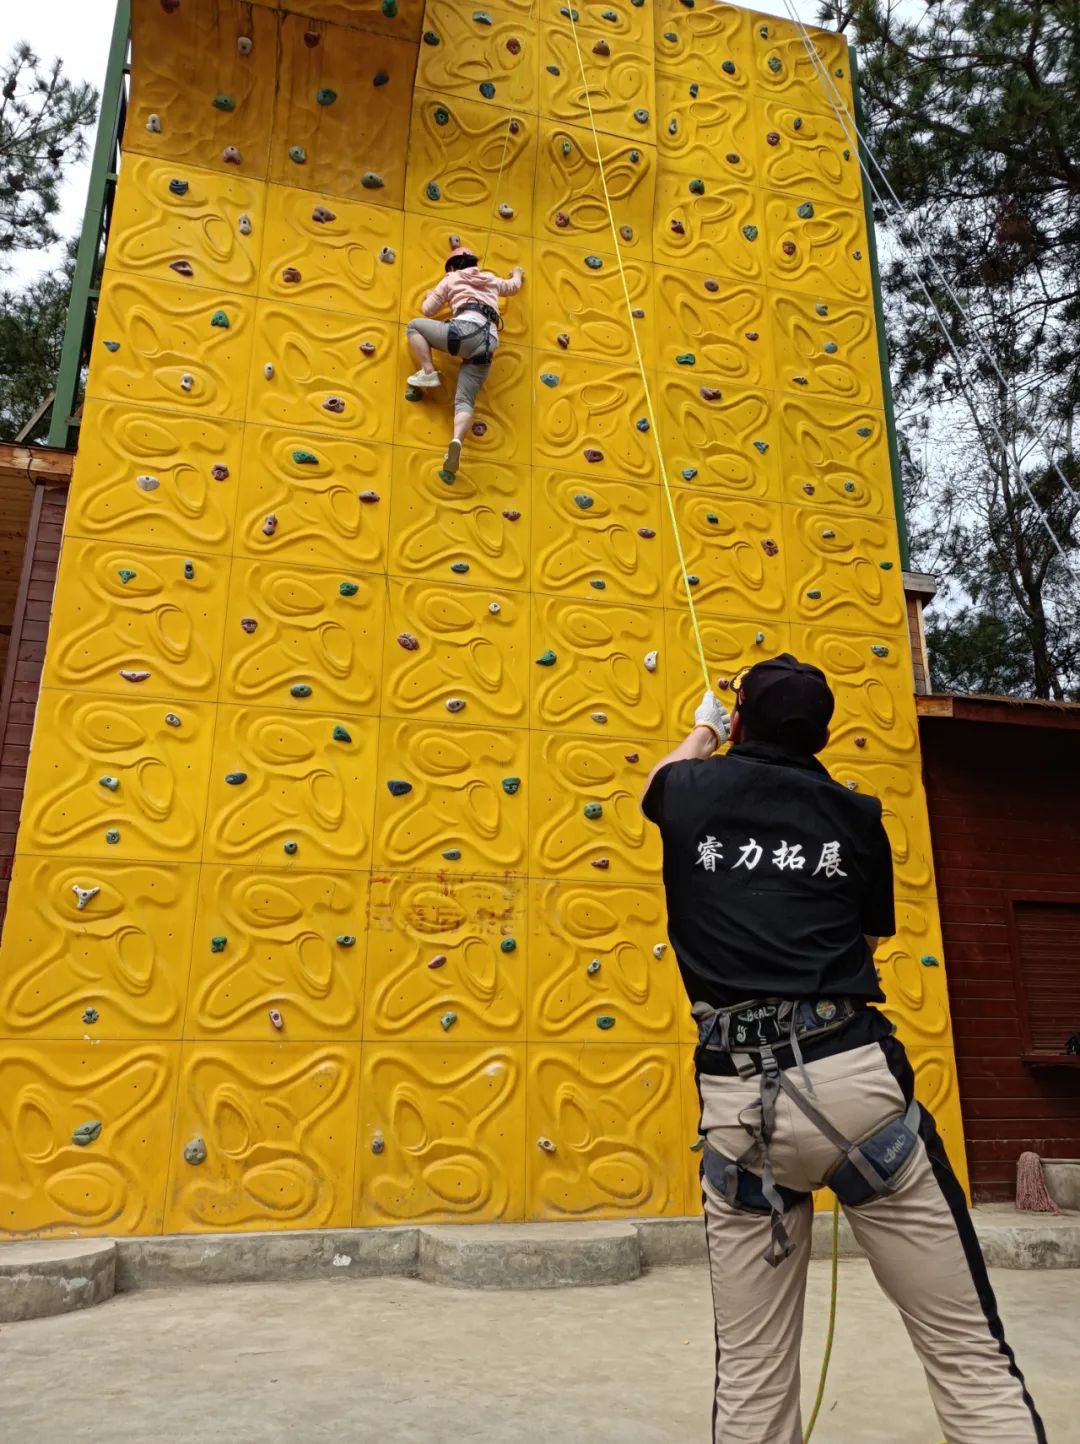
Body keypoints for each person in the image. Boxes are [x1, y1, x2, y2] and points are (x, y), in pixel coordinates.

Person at [641, 654, 1045, 1444]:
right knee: (968, 1356)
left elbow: (657, 783)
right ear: (822, 737)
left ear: (740, 720)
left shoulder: (691, 788)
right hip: (854, 1084)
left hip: (739, 1104)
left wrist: (702, 730)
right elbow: (865, 940)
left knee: (751, 1379)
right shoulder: (857, 816)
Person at [405, 246, 524, 477]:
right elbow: (513, 287)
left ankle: (428, 371)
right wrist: (517, 273)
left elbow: (428, 310)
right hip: (488, 343)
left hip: (462, 332)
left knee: (414, 327)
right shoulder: (490, 279)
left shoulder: (452, 277)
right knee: (465, 400)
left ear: (452, 267)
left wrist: (431, 295)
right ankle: (457, 440)